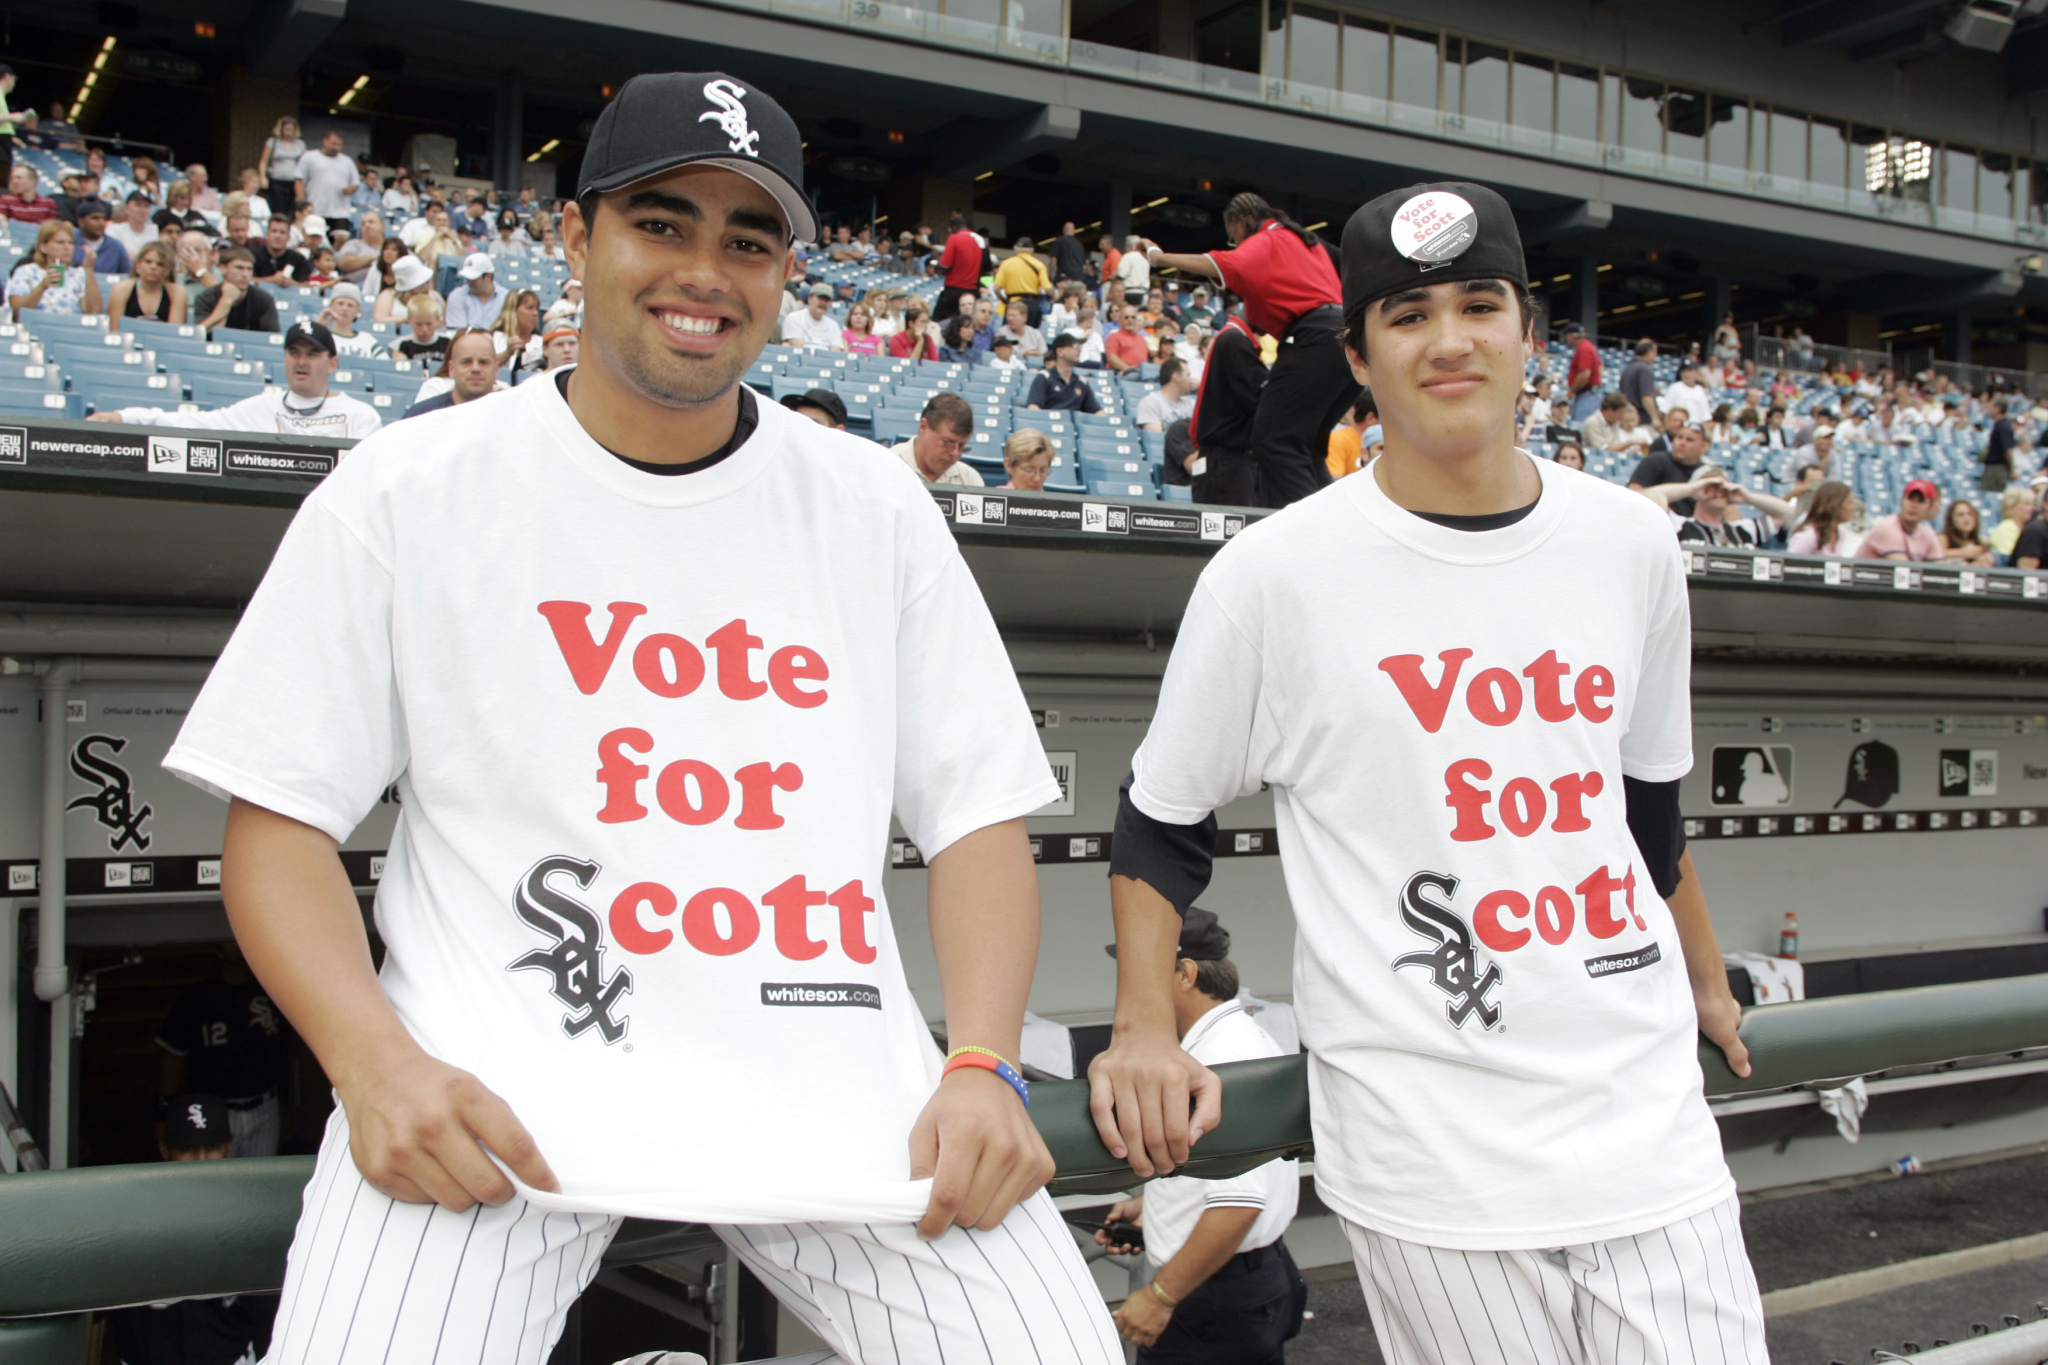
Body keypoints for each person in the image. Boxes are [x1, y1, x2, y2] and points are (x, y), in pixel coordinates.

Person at [162, 72, 1117, 1364]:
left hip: (838, 1090)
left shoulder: (873, 505)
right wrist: (370, 1063)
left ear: (785, 272)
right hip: (500, 1100)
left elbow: (976, 816)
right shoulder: (408, 487)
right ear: (576, 236)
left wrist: (986, 1061)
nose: (705, 271)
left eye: (748, 237)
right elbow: (276, 825)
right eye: (661, 223)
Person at [1090, 180, 1765, 1361]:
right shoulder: (1274, 576)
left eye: (1478, 304)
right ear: (1354, 354)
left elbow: (1647, 812)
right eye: (1405, 315)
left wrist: (1704, 980)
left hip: (1649, 1134)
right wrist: (1142, 1024)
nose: (1447, 339)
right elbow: (1158, 823)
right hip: (1433, 1165)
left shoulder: (1632, 543)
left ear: (1528, 337)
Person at [1093, 908, 1303, 1362]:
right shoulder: (1238, 1035)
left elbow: (1237, 1206)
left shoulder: (1218, 1059)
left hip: (1212, 1298)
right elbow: (1235, 1181)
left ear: (1185, 973)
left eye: (1141, 972)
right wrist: (1159, 1205)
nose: (1129, 989)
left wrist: (1160, 1297)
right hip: (1245, 1281)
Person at [1141, 193, 1355, 508]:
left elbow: (1221, 262)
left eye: (1233, 234)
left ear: (1242, 221)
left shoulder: (1266, 239)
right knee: (1307, 446)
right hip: (1349, 336)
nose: (1235, 241)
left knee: (1274, 440)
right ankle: (1330, 525)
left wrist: (1161, 258)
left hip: (1313, 336)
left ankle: (1306, 532)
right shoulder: (1305, 242)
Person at [107, 1093, 281, 1365]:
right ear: (165, 1151)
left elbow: (266, 1311)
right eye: (188, 1149)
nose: (201, 1160)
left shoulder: (251, 1217)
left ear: (227, 1148)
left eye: (211, 1147)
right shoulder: (132, 1218)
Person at [92, 316, 381, 438]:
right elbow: (192, 422)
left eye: (312, 354)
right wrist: (125, 417)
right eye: (294, 353)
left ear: (332, 363)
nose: (301, 362)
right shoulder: (261, 407)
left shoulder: (360, 415)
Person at [155, 941, 289, 1158]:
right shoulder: (198, 997)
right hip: (212, 1110)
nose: (237, 943)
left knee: (259, 1185)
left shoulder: (272, 990)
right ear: (218, 948)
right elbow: (173, 1055)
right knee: (214, 1183)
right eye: (230, 939)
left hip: (265, 1105)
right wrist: (163, 1113)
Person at [1184, 309, 1266, 506]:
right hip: (1226, 462)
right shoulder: (1234, 341)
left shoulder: (1230, 338)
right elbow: (1260, 398)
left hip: (1224, 461)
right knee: (1229, 533)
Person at [1640, 465, 1794, 548]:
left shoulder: (1742, 529)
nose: (1719, 491)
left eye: (1723, 487)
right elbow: (1647, 498)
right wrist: (1692, 489)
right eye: (1712, 486)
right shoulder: (1679, 525)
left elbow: (1787, 513)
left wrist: (1749, 498)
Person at [7, 220, 102, 319]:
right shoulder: (26, 272)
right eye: (60, 242)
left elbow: (93, 312)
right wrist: (41, 287)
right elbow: (18, 312)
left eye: (70, 243)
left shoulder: (80, 274)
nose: (67, 248)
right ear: (43, 247)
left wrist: (89, 270)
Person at [400, 328, 502, 417]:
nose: (475, 368)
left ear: (496, 369)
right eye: (466, 362)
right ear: (451, 369)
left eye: (483, 362)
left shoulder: (514, 416)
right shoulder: (422, 415)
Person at [896, 389, 983, 485]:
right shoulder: (887, 465)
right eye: (948, 442)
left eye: (962, 446)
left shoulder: (970, 480)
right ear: (923, 427)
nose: (955, 454)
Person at [187, 247, 280, 334]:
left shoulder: (264, 300)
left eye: (249, 269)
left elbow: (271, 338)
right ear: (223, 268)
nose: (245, 275)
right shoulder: (206, 298)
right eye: (239, 268)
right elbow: (203, 333)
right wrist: (226, 301)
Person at [1628, 419, 1709, 518]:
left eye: (1689, 440)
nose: (1682, 443)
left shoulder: (1706, 472)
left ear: (1704, 446)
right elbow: (1632, 495)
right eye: (1679, 437)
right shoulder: (1655, 460)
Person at [1855, 479, 1947, 561]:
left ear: (1930, 506)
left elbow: (1940, 570)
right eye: (1910, 499)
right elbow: (1903, 572)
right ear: (1902, 500)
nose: (1913, 505)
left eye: (1921, 501)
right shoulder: (1887, 527)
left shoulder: (1927, 532)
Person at [106, 240, 187, 330]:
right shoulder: (121, 289)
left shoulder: (177, 293)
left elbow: (174, 333)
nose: (153, 267)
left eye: (160, 264)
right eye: (148, 262)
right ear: (138, 264)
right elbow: (115, 330)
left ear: (167, 270)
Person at [1026, 332, 1102, 413]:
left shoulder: (1081, 382)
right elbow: (1033, 406)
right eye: (1075, 346)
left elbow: (1096, 410)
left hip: (1073, 424)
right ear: (1060, 352)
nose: (1079, 350)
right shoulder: (1044, 378)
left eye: (1080, 347)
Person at [293, 128, 359, 221]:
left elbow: (355, 184)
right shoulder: (309, 156)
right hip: (315, 209)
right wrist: (302, 203)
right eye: (333, 144)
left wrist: (350, 189)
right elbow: (299, 180)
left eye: (339, 145)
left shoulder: (347, 161)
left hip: (340, 211)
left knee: (341, 236)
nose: (336, 147)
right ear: (325, 141)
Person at [1787, 481, 1858, 557]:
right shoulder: (1808, 535)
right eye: (1849, 503)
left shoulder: (1840, 531)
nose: (1854, 508)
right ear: (1835, 505)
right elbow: (1790, 565)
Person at [933, 212, 982, 320]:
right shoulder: (979, 240)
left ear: (953, 227)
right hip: (972, 291)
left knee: (938, 321)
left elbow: (945, 265)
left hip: (954, 289)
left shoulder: (954, 238)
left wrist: (936, 269)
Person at [993, 237, 1051, 326]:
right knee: (1031, 335)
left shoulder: (1006, 264)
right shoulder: (1039, 265)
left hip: (1013, 304)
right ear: (1031, 250)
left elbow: (996, 289)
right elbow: (1047, 287)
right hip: (1032, 306)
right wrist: (1055, 296)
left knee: (1009, 334)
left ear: (1016, 248)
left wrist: (1005, 301)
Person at [317, 282, 383, 358]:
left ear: (358, 311)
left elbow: (384, 364)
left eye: (350, 305)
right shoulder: (323, 336)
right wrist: (318, 326)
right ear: (331, 306)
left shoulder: (367, 339)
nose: (345, 308)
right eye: (340, 303)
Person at [258, 117, 306, 218]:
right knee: (279, 208)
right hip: (277, 180)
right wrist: (262, 177)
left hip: (294, 181)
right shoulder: (273, 142)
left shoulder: (300, 144)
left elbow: (304, 163)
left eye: (291, 130)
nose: (289, 132)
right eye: (286, 129)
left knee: (293, 208)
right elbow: (264, 161)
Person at [67, 198, 129, 274]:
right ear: (81, 222)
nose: (101, 223)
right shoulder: (70, 241)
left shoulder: (116, 246)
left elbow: (127, 275)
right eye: (95, 218)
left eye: (103, 219)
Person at [1137, 358, 1197, 432]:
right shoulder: (1150, 402)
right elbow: (1156, 439)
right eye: (1188, 375)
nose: (1191, 380)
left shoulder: (1191, 404)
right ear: (1176, 377)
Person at [248, 214, 311, 285]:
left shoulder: (299, 259)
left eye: (282, 232)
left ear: (288, 237)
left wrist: (292, 284)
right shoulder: (252, 255)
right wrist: (271, 280)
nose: (278, 236)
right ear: (267, 234)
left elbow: (307, 287)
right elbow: (246, 280)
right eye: (274, 231)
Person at [780, 282, 845, 348]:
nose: (823, 303)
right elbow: (798, 348)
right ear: (810, 299)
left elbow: (834, 352)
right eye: (820, 298)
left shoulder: (833, 325)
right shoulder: (794, 318)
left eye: (827, 300)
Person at [1561, 321, 1602, 425]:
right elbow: (1600, 367)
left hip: (1586, 394)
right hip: (1589, 393)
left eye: (1567, 336)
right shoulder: (1588, 346)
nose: (1566, 339)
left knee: (1581, 426)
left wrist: (1572, 391)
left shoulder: (1584, 348)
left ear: (1572, 336)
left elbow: (1585, 374)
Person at [396, 293, 450, 365]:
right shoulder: (401, 345)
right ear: (409, 321)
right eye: (419, 324)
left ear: (437, 320)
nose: (424, 329)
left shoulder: (448, 342)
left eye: (428, 324)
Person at [106, 190, 158, 261]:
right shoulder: (114, 229)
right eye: (138, 205)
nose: (142, 210)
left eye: (146, 206)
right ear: (127, 208)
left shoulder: (154, 230)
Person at [1990, 484, 2035, 563]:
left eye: (2032, 504)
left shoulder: (2026, 528)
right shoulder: (2005, 528)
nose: (2031, 508)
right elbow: (2009, 558)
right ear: (2012, 506)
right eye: (2026, 504)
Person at [1618, 337, 1658, 426]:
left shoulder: (1628, 368)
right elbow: (1646, 397)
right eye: (1655, 352)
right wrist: (1655, 418)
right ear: (1650, 351)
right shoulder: (1644, 368)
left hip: (1627, 417)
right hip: (1641, 419)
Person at [1939, 498, 1993, 564]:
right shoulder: (1944, 538)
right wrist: (1964, 553)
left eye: (1970, 514)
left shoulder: (1981, 541)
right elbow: (1936, 555)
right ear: (1951, 519)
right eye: (1960, 515)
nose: (1966, 518)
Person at [1103, 303, 1150, 373]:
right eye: (1126, 317)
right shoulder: (1114, 336)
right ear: (1120, 320)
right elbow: (1111, 357)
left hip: (1141, 374)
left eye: (1133, 317)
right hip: (1122, 373)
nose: (1130, 320)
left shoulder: (1141, 338)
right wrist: (1128, 369)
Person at [1983, 398, 2018, 492]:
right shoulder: (1998, 424)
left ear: (1998, 409)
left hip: (1997, 469)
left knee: (1991, 493)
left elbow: (2008, 451)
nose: (1988, 410)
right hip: (1994, 467)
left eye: (1991, 407)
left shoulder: (2003, 426)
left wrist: (2011, 470)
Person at [1114, 233, 1150, 306]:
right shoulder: (1145, 259)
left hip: (1130, 293)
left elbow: (1121, 275)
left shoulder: (1127, 256)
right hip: (1144, 293)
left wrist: (1114, 277)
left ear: (1128, 246)